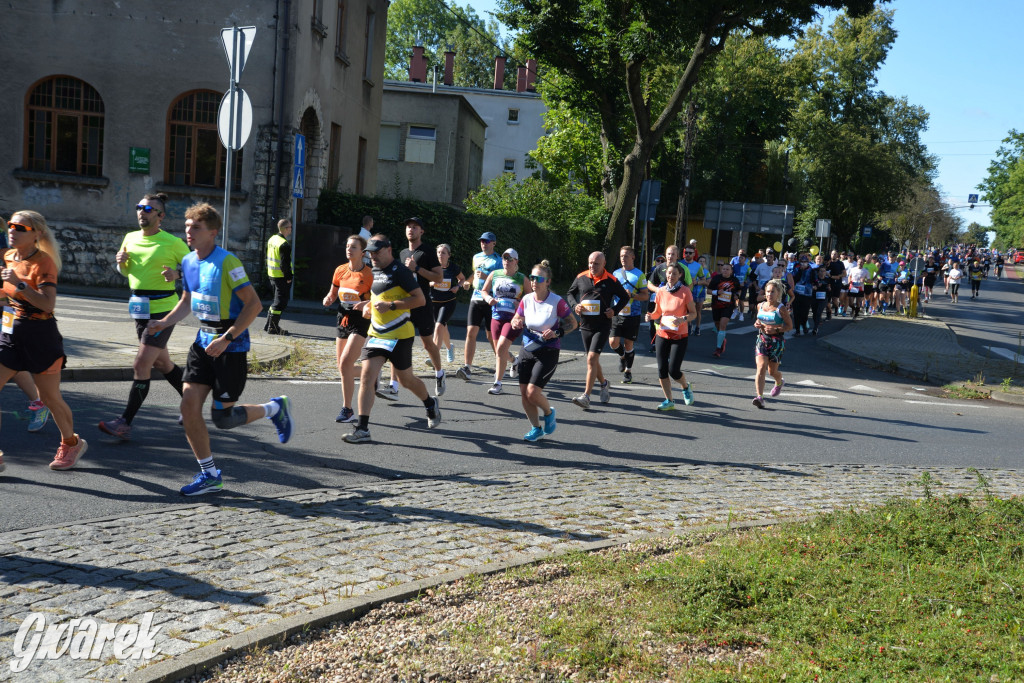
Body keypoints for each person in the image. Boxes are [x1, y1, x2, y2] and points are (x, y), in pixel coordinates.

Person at [147, 203, 293, 496]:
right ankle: (210, 475)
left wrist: (227, 338)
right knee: (189, 407)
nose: (189, 231)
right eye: (187, 226)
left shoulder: (228, 262)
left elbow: (254, 305)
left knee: (223, 419)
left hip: (231, 344)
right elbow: (187, 301)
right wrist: (164, 322)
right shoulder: (188, 261)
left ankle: (274, 408)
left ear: (213, 232)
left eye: (196, 227)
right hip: (203, 342)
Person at [99, 193, 190, 440]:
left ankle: (124, 422)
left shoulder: (173, 242)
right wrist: (120, 263)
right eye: (140, 207)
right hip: (139, 309)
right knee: (162, 364)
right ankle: (191, 402)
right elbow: (126, 271)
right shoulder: (130, 237)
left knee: (141, 364)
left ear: (161, 216)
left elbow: (196, 268)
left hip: (163, 311)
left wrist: (177, 274)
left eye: (148, 209)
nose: (142, 211)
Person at [1, 210, 86, 471]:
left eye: (20, 228)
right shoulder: (8, 257)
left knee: (49, 398)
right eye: (11, 225)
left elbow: (48, 304)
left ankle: (71, 443)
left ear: (37, 234)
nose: (12, 230)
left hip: (40, 336)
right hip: (11, 333)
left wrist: (20, 284)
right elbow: (6, 296)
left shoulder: (44, 262)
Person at [342, 235, 442, 443]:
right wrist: (368, 305)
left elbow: (420, 300)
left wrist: (392, 306)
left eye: (377, 252)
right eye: (370, 253)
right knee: (367, 378)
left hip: (400, 335)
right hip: (377, 334)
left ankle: (429, 403)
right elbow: (379, 296)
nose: (373, 256)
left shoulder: (401, 272)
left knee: (406, 381)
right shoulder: (374, 270)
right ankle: (362, 428)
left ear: (389, 249)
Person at [510, 260, 577, 441]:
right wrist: (515, 322)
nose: (534, 281)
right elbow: (517, 318)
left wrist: (557, 332)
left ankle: (548, 413)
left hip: (548, 350)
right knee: (524, 392)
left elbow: (573, 323)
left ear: (547, 282)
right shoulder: (526, 299)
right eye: (532, 277)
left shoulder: (556, 301)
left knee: (532, 392)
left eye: (539, 278)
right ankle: (536, 428)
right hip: (527, 348)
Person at [389, 217, 446, 398]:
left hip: (422, 304)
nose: (410, 230)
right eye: (408, 227)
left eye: (415, 227)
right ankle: (393, 386)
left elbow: (438, 277)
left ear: (422, 231)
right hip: (405, 304)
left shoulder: (427, 251)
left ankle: (439, 373)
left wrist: (417, 268)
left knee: (428, 343)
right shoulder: (402, 253)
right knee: (397, 341)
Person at [566, 251, 629, 410]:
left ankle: (586, 396)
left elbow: (625, 297)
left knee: (592, 358)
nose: (592, 266)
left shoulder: (611, 280)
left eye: (596, 264)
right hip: (585, 325)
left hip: (602, 326)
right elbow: (570, 293)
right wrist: (575, 306)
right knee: (592, 360)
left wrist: (614, 310)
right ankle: (604, 383)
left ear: (604, 264)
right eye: (590, 263)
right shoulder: (581, 277)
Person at [322, 234, 374, 424]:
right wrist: (328, 299)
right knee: (342, 367)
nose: (349, 250)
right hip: (342, 318)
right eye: (347, 246)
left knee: (345, 362)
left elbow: (378, 299)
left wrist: (366, 304)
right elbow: (333, 293)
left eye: (353, 247)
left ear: (363, 252)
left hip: (361, 321)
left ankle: (347, 409)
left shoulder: (369, 274)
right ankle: (371, 373)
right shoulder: (340, 270)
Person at [645, 262, 697, 410]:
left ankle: (685, 387)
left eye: (674, 274)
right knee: (662, 369)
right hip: (662, 334)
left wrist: (683, 319)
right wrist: (650, 316)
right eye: (669, 273)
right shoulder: (661, 291)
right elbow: (657, 312)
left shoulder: (685, 291)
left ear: (679, 275)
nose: (671, 276)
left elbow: (693, 313)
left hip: (679, 336)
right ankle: (669, 400)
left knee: (673, 370)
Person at [480, 248, 531, 394]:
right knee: (499, 351)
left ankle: (498, 383)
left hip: (514, 319)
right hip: (496, 317)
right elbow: (484, 291)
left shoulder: (522, 278)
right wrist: (488, 298)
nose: (506, 261)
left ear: (516, 261)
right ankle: (514, 361)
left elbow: (531, 298)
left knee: (501, 347)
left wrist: (521, 303)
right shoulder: (494, 274)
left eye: (510, 259)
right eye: (504, 258)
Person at [457, 231, 502, 380]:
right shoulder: (476, 257)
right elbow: (474, 274)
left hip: (490, 299)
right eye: (482, 241)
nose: (484, 244)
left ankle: (501, 363)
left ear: (493, 243)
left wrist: (486, 277)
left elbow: (501, 281)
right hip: (476, 298)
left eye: (487, 241)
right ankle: (467, 367)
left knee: (491, 336)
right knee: (470, 332)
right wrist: (468, 282)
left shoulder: (498, 260)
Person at [609, 246, 649, 384]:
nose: (623, 258)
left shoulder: (639, 275)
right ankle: (622, 357)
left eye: (626, 256)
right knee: (613, 342)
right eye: (621, 256)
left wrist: (632, 295)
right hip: (617, 312)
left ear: (633, 257)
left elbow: (645, 296)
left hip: (633, 314)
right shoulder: (615, 273)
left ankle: (628, 371)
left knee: (628, 343)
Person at [751, 278, 793, 409]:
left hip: (776, 342)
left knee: (772, 372)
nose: (769, 294)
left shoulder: (781, 309)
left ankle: (779, 382)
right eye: (768, 291)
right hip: (762, 340)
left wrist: (776, 329)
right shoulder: (760, 305)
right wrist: (757, 324)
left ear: (778, 293)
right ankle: (760, 398)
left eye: (772, 292)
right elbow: (758, 320)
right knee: (761, 367)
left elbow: (789, 326)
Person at [431, 243, 465, 364]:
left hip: (448, 301)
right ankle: (450, 347)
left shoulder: (453, 268)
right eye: (439, 252)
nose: (440, 255)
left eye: (443, 253)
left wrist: (457, 286)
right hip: (434, 302)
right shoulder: (432, 267)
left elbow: (462, 279)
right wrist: (431, 283)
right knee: (442, 327)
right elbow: (423, 280)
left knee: (439, 326)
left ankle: (434, 356)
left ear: (449, 255)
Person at [265, 218, 293, 335]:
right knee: (280, 303)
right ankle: (273, 327)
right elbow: (284, 264)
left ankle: (268, 325)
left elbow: (267, 256)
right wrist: (288, 277)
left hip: (272, 275)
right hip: (281, 277)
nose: (291, 229)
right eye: (290, 227)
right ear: (285, 229)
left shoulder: (272, 239)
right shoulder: (284, 244)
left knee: (276, 301)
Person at [707, 262, 741, 357]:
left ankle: (718, 349)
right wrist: (717, 292)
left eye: (727, 269)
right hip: (716, 305)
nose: (725, 271)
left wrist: (737, 295)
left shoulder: (734, 280)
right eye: (724, 269)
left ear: (731, 271)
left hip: (728, 306)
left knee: (723, 325)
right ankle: (722, 340)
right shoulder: (716, 278)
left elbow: (739, 290)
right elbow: (708, 291)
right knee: (717, 325)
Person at [680, 245, 708, 336]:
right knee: (685, 310)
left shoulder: (698, 266)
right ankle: (688, 326)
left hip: (694, 291)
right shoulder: (679, 263)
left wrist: (696, 282)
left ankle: (697, 327)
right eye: (686, 252)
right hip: (680, 291)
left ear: (694, 254)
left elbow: (704, 280)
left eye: (690, 253)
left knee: (696, 311)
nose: (688, 254)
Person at [790, 255, 814, 335]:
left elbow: (815, 280)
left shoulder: (811, 270)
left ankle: (804, 325)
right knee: (796, 313)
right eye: (802, 262)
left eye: (805, 262)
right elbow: (794, 279)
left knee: (804, 313)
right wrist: (800, 271)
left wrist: (815, 285)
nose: (803, 264)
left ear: (808, 262)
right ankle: (797, 330)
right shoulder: (796, 269)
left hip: (807, 294)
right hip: (797, 293)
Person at [729, 250, 751, 321]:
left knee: (741, 300)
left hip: (743, 286)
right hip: (735, 285)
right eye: (739, 258)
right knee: (733, 298)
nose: (740, 259)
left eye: (742, 258)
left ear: (745, 259)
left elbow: (750, 276)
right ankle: (735, 310)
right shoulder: (735, 266)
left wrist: (746, 281)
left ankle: (741, 314)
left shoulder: (747, 267)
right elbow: (731, 275)